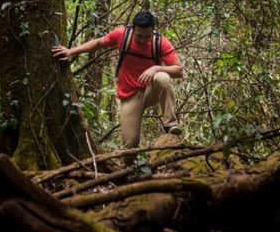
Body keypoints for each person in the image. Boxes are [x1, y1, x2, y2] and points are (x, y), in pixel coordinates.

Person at [52, 11, 183, 157]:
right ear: (133, 29)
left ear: (153, 31)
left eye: (147, 36)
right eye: (139, 35)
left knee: (162, 77)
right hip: (130, 95)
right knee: (129, 145)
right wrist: (71, 51)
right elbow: (99, 43)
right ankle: (131, 172)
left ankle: (170, 124)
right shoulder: (122, 35)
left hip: (150, 90)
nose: (143, 40)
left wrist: (156, 68)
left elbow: (179, 70)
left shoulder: (160, 42)